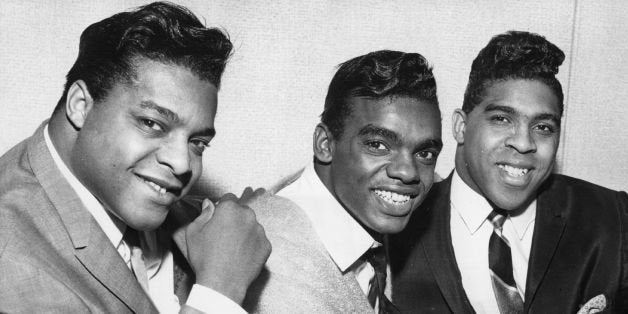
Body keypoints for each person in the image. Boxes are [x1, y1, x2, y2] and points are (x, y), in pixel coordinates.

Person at [0, 2, 271, 313]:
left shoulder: (144, 199)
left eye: (198, 142)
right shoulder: (12, 262)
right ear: (79, 105)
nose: (183, 164)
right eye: (152, 123)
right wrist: (219, 292)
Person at [390, 31, 628, 313]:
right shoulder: (397, 224)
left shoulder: (613, 216)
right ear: (460, 127)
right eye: (502, 119)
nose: (525, 143)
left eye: (543, 127)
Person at [243, 50, 443, 313]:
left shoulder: (364, 222)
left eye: (425, 153)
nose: (408, 173)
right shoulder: (272, 261)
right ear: (325, 144)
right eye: (378, 145)